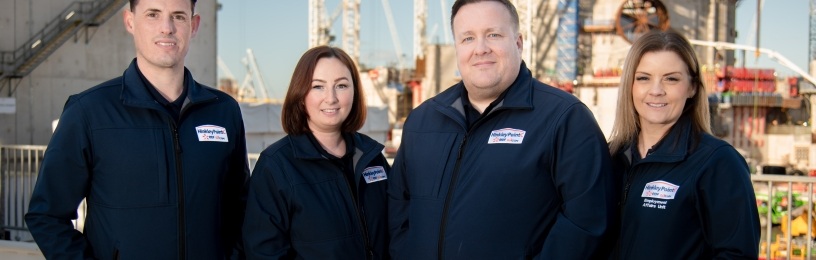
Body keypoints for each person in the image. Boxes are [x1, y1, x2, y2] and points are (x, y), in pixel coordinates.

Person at [387, 0, 616, 259]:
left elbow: (587, 223)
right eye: (468, 38)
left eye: (493, 35)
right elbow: (399, 211)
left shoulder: (565, 118)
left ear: (518, 43)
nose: (480, 49)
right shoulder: (422, 122)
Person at [24, 0, 250, 258]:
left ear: (194, 25)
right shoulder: (88, 112)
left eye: (178, 16)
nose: (167, 28)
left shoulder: (223, 111)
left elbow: (242, 209)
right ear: (130, 21)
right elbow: (47, 215)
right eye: (153, 14)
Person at [607, 30, 760, 259]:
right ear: (630, 86)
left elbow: (737, 254)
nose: (656, 90)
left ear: (692, 87)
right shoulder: (611, 158)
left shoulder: (717, 163)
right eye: (643, 78)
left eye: (671, 78)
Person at [242, 46, 390, 259]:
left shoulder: (371, 157)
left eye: (341, 85)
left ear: (355, 92)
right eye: (318, 87)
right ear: (300, 95)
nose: (331, 98)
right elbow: (264, 252)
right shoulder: (276, 167)